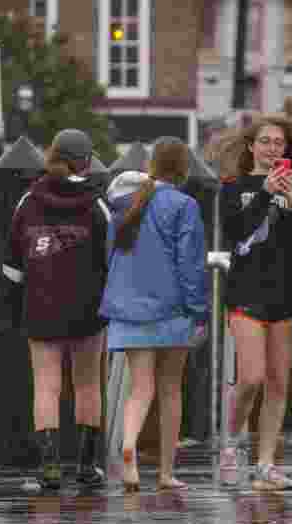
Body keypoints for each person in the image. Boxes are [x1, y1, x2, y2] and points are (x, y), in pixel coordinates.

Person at [99, 137, 210, 492]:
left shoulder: (125, 203)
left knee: (139, 389)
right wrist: (199, 312)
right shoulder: (184, 204)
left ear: (152, 165)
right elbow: (190, 263)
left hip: (128, 308)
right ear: (183, 167)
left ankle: (129, 444)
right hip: (171, 309)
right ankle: (165, 473)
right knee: (170, 390)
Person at [4, 128, 110, 490]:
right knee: (88, 384)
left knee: (45, 386)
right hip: (88, 309)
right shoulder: (96, 205)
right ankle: (85, 465)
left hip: (40, 306)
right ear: (85, 160)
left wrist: (15, 306)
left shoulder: (27, 202)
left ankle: (49, 467)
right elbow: (111, 260)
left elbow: (12, 267)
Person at [218, 115, 292, 490]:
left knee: (277, 383)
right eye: (265, 141)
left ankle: (266, 464)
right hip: (246, 291)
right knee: (252, 378)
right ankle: (230, 442)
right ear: (251, 146)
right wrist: (263, 193)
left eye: (278, 143)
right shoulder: (234, 186)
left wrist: (290, 200)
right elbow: (235, 231)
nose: (272, 148)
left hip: (285, 293)